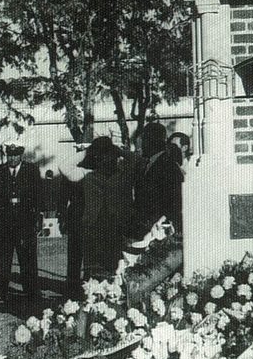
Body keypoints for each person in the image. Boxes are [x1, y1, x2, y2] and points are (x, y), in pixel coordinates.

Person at [60, 137, 137, 279]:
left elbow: (65, 166)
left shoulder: (87, 175)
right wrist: (118, 150)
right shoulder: (120, 176)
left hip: (99, 229)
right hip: (107, 229)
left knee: (99, 268)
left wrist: (88, 151)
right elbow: (135, 160)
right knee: (106, 268)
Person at [0, 144, 43, 304]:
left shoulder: (31, 171)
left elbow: (38, 196)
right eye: (9, 155)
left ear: (21, 155)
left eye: (15, 155)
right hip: (4, 223)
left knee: (28, 259)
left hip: (25, 223)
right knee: (3, 260)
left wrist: (38, 218)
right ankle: (0, 293)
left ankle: (31, 293)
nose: (12, 158)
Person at [135, 123, 182, 236]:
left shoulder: (167, 165)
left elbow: (174, 200)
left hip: (159, 230)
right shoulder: (150, 163)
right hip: (147, 228)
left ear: (152, 140)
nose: (142, 143)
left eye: (144, 138)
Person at [57, 155, 85, 300]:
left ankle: (88, 286)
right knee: (74, 255)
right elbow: (63, 195)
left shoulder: (97, 169)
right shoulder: (73, 172)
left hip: (93, 220)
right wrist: (62, 217)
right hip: (75, 217)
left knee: (90, 256)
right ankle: (72, 287)